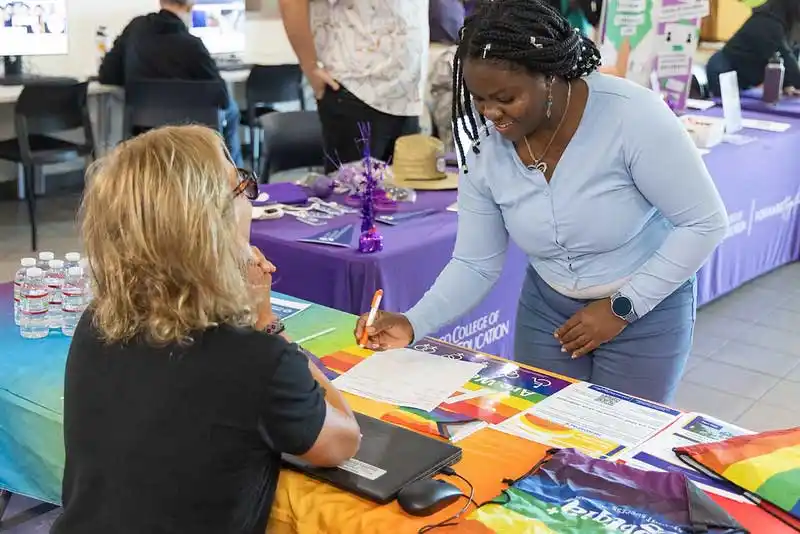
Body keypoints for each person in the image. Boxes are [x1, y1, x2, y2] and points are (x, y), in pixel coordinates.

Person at [355, 0, 728, 405]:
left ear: (550, 77)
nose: (491, 114)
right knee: (540, 439)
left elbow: (705, 223)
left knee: (618, 450)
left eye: (505, 98)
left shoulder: (633, 117)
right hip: (548, 311)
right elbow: (475, 263)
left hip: (646, 307)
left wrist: (622, 308)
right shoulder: (482, 143)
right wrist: (413, 323)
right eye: (479, 99)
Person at [51, 126, 361, 534]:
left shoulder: (98, 320)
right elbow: (344, 440)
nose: (250, 200)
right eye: (242, 188)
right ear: (211, 223)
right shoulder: (256, 360)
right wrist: (266, 322)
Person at [278, 0, 428, 172]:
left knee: (404, 195)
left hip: (406, 95)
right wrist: (309, 65)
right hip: (358, 90)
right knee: (352, 194)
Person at [97, 0, 244, 166]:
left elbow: (106, 74)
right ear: (190, 6)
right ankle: (235, 178)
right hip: (189, 130)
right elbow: (221, 97)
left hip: (142, 128)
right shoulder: (193, 46)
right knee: (231, 110)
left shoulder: (135, 28)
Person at [706, 0, 800, 96]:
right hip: (724, 72)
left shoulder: (789, 22)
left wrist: (788, 84)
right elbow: (785, 58)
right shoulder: (767, 21)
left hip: (746, 76)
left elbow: (792, 54)